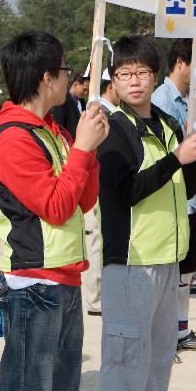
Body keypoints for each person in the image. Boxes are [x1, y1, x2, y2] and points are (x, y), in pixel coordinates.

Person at [0, 30, 107, 391]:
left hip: (63, 275)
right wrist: (81, 150)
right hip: (31, 282)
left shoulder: (52, 129)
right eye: (63, 71)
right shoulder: (13, 136)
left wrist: (88, 147)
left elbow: (81, 199)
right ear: (45, 78)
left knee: (61, 390)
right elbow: (55, 205)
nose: (70, 79)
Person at [94, 36, 196, 391]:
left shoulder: (165, 121)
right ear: (114, 81)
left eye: (141, 72)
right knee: (125, 356)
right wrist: (176, 160)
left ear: (156, 76)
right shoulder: (110, 127)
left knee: (160, 352)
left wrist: (191, 156)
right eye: (124, 74)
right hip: (131, 259)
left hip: (168, 256)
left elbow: (187, 181)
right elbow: (123, 193)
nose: (134, 81)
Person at [152, 39, 196, 352]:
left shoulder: (193, 100)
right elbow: (167, 154)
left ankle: (181, 331)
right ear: (181, 62)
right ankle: (162, 337)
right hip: (172, 196)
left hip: (195, 197)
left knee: (187, 268)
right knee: (169, 269)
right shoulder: (161, 101)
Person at [83, 70, 118, 317]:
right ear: (110, 86)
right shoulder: (100, 113)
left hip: (103, 185)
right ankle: (95, 299)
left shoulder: (111, 113)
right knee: (94, 240)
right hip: (98, 185)